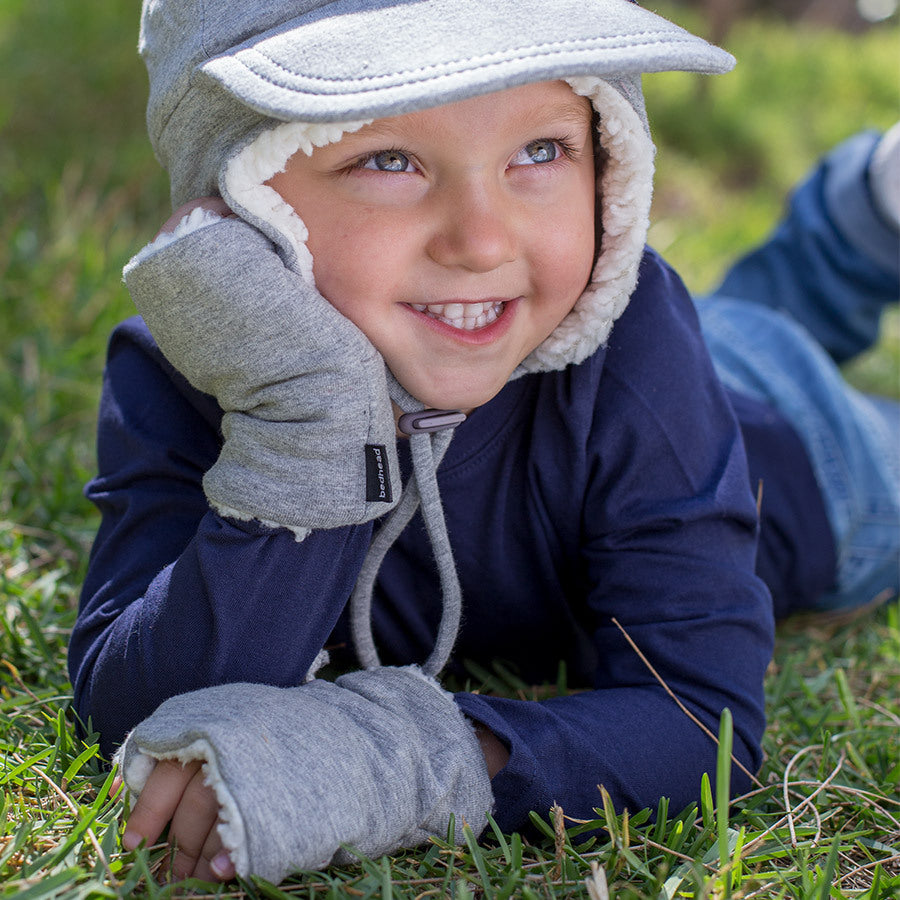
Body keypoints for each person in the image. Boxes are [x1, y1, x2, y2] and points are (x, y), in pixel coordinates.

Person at [67, 0, 899, 886]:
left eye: (539, 152)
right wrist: (306, 429)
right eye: (388, 159)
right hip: (690, 357)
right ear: (235, 200)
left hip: (806, 454)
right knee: (746, 321)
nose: (483, 240)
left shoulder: (637, 342)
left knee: (764, 352)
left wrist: (398, 758)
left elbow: (701, 721)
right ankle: (857, 222)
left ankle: (859, 215)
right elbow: (131, 704)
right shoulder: (177, 370)